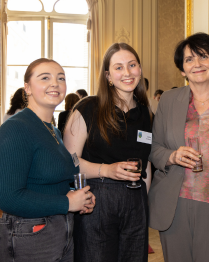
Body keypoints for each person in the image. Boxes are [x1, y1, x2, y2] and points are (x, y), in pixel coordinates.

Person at [0, 58, 95, 262]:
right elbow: (7, 197)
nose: (54, 83)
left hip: (59, 232)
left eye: (60, 78)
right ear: (27, 88)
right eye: (45, 78)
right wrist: (66, 202)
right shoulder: (16, 127)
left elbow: (48, 181)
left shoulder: (53, 130)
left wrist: (77, 198)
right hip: (27, 238)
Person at [149, 32, 209, 262]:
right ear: (182, 69)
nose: (197, 64)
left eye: (203, 56)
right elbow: (154, 148)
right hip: (175, 202)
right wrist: (172, 156)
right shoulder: (169, 100)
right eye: (189, 59)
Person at [63, 43, 152, 262]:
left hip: (136, 202)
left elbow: (146, 162)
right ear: (108, 75)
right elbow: (69, 161)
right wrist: (107, 170)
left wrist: (143, 199)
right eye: (119, 67)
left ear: (140, 70)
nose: (127, 72)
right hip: (96, 200)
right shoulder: (87, 108)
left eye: (132, 65)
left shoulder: (146, 114)